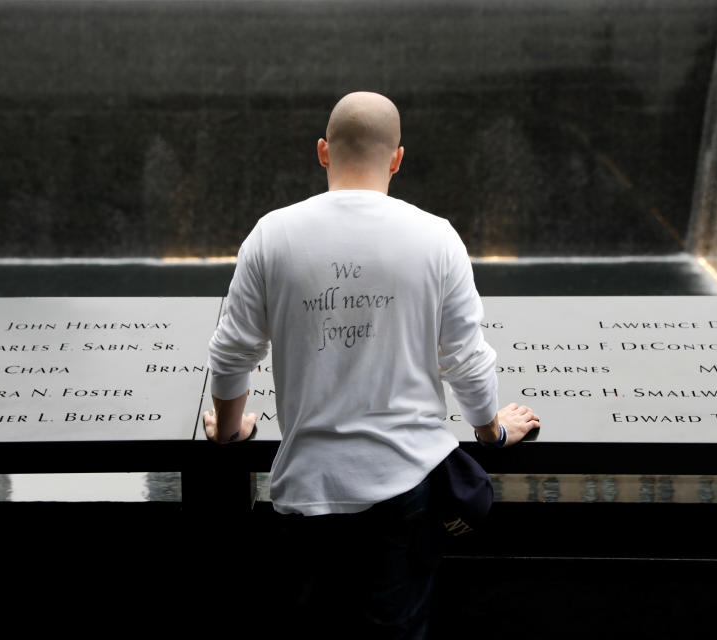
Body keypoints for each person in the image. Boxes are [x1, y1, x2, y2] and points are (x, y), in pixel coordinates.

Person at [203, 91, 540, 637]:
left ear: (322, 152)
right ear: (396, 158)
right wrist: (492, 430)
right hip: (404, 484)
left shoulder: (272, 234)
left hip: (307, 488)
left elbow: (232, 350)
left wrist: (229, 427)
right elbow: (466, 358)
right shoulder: (436, 237)